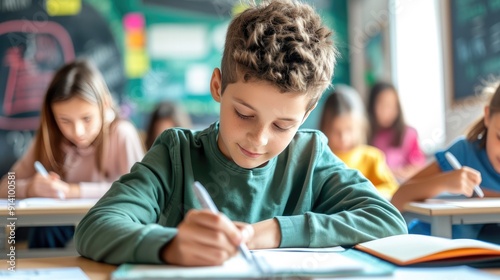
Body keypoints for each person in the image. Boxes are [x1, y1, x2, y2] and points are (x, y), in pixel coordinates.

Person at [75, 0, 407, 266]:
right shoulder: (176, 154)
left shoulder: (310, 157)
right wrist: (170, 246)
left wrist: (273, 232)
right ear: (217, 86)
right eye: (244, 114)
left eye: (282, 125)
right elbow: (95, 228)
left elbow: (387, 220)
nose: (258, 139)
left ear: (307, 113)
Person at [0, 59, 145, 248]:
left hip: (113, 230)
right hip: (59, 234)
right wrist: (29, 188)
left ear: (105, 105)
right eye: (65, 120)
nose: (77, 132)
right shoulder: (49, 138)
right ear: (52, 116)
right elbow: (5, 187)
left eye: (86, 119)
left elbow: (139, 191)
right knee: (47, 228)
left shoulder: (122, 133)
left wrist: (72, 191)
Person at [391, 82, 500, 241]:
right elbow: (398, 198)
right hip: (429, 248)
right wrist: (445, 182)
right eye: (499, 136)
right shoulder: (463, 152)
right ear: (487, 116)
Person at [319, 85, 398, 199]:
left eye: (349, 129)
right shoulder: (320, 160)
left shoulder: (372, 157)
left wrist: (367, 193)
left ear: (360, 127)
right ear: (325, 128)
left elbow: (391, 187)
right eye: (336, 131)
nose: (344, 138)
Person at [367, 82, 426, 182]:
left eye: (392, 105)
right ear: (372, 106)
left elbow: (419, 168)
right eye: (383, 105)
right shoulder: (365, 133)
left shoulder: (408, 134)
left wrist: (403, 172)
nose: (388, 111)